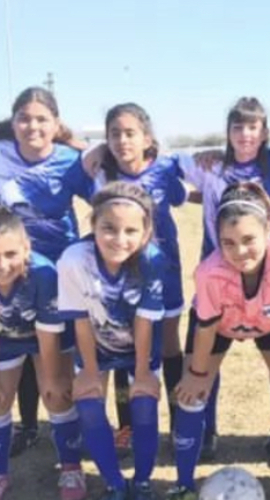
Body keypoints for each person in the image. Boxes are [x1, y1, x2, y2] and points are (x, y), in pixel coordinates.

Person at [0, 87, 93, 456]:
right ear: (13, 121)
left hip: (56, 274)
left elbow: (101, 196)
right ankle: (29, 426)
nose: (32, 126)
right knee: (17, 343)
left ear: (55, 123)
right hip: (6, 268)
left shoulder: (71, 160)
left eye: (41, 119)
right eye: (24, 118)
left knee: (51, 355)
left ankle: (69, 431)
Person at [167, 182, 270, 500]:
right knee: (191, 396)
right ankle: (183, 486)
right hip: (220, 327)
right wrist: (196, 375)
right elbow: (206, 327)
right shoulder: (209, 273)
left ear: (268, 229)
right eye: (228, 243)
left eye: (249, 240)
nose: (239, 252)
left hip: (268, 326)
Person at [0, 206, 85, 500]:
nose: (2, 265)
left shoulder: (43, 273)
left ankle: (70, 467)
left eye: (11, 254)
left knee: (57, 394)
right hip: (5, 339)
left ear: (26, 247)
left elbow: (48, 333)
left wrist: (52, 378)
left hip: (48, 337)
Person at [86, 103, 188, 446]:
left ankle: (177, 422)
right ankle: (126, 426)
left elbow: (184, 195)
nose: (121, 140)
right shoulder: (103, 175)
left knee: (170, 345)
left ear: (147, 138)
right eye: (114, 134)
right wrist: (91, 149)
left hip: (165, 272)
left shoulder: (165, 170)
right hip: (122, 276)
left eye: (130, 133)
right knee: (123, 345)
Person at [58, 182, 166, 500]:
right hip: (96, 345)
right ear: (92, 225)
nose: (120, 239)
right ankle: (114, 484)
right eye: (109, 228)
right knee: (89, 405)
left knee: (144, 404)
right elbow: (79, 318)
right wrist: (90, 370)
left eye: (131, 230)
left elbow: (145, 320)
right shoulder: (73, 260)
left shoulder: (153, 260)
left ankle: (143, 481)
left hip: (140, 348)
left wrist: (143, 372)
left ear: (146, 232)